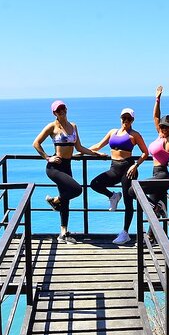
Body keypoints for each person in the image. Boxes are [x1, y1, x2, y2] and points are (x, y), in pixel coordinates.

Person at [125, 86, 169, 244]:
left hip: (162, 175)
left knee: (132, 190)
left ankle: (158, 206)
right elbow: (156, 117)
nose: (162, 128)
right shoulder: (160, 133)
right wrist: (157, 98)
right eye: (162, 126)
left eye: (166, 127)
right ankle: (151, 235)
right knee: (154, 212)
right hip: (157, 174)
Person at [33, 100, 101, 244]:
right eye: (58, 110)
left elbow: (79, 148)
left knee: (67, 200)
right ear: (54, 113)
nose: (61, 111)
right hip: (55, 168)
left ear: (66, 109)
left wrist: (96, 154)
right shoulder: (52, 127)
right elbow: (36, 143)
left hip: (67, 166)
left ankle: (63, 233)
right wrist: (47, 158)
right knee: (77, 190)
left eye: (63, 108)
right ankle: (55, 200)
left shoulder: (73, 126)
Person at [88, 108, 149, 245]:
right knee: (95, 183)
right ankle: (113, 196)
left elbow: (145, 153)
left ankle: (125, 233)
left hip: (128, 169)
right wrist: (83, 153)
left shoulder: (135, 135)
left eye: (129, 119)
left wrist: (136, 165)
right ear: (120, 118)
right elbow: (98, 146)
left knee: (128, 201)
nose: (126, 121)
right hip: (114, 169)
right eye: (124, 118)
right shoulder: (112, 132)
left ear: (132, 120)